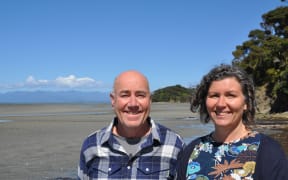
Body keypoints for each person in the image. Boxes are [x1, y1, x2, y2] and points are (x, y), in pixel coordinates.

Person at [177, 64, 288, 180]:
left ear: (246, 103)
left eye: (230, 95)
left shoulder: (269, 151)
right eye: (214, 95)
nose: (221, 104)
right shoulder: (192, 150)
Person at [78, 70, 185, 180]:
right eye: (125, 95)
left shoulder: (174, 144)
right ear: (113, 100)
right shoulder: (91, 145)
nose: (133, 104)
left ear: (150, 100)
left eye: (140, 95)